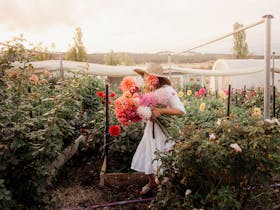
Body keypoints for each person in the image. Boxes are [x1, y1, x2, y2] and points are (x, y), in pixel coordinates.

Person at [131, 63, 186, 195]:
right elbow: (149, 111)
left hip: (163, 133)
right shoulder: (152, 92)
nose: (144, 80)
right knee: (148, 156)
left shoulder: (168, 91)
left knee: (162, 160)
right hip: (151, 131)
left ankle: (165, 190)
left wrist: (161, 111)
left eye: (145, 77)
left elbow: (181, 110)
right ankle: (152, 183)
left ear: (154, 78)